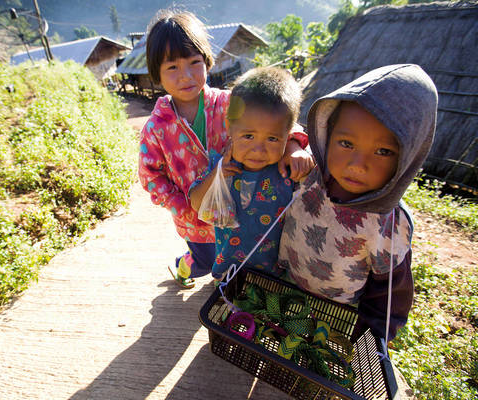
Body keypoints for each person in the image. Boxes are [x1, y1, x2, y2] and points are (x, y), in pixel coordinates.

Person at [139, 10, 313, 289]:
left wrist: (293, 145)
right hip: (194, 219)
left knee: (236, 260)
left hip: (242, 208)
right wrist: (185, 207)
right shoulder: (156, 128)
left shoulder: (232, 103)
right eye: (172, 67)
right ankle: (183, 266)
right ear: (156, 73)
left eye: (194, 63)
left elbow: (274, 120)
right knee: (206, 261)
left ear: (208, 61)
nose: (185, 76)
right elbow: (151, 178)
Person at [277, 64, 437, 341]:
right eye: (346, 144)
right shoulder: (311, 175)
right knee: (281, 345)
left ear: (408, 157)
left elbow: (386, 300)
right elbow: (274, 127)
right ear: (328, 135)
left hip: (337, 316)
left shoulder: (388, 223)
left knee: (311, 365)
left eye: (383, 151)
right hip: (286, 291)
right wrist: (292, 146)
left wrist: (369, 344)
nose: (357, 165)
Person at [189, 67, 302, 281]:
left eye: (272, 139)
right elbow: (196, 202)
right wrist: (218, 174)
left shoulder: (287, 171)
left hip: (277, 277)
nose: (258, 150)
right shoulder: (219, 166)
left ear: (288, 135)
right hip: (228, 274)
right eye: (248, 136)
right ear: (229, 127)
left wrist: (298, 150)